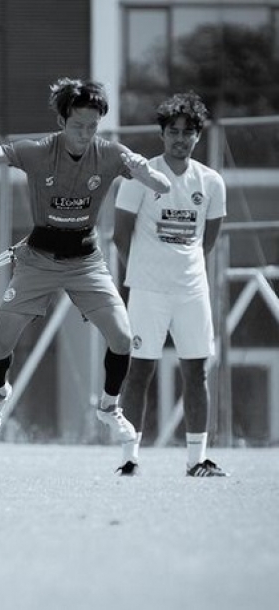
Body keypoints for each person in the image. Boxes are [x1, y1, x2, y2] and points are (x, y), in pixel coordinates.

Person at [0, 77, 171, 440]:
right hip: (37, 260)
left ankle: (109, 408)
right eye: (78, 126)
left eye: (92, 126)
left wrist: (145, 174)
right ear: (61, 123)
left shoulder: (110, 154)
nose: (85, 133)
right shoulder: (39, 151)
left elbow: (163, 186)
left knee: (123, 338)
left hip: (86, 262)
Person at [113, 91, 228, 477]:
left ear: (198, 136)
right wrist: (145, 273)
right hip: (147, 291)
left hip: (192, 291)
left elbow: (208, 240)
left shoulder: (211, 182)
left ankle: (197, 460)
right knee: (140, 372)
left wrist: (183, 269)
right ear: (162, 134)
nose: (180, 138)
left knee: (197, 372)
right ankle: (129, 459)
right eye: (173, 131)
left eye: (188, 132)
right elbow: (120, 236)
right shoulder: (141, 175)